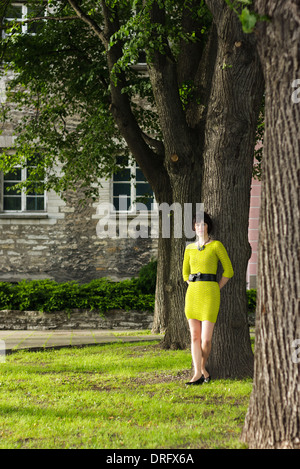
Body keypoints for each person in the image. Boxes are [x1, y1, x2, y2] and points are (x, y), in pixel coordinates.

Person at [182, 212, 234, 385]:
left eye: (203, 224)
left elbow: (229, 271)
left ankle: (201, 370)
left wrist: (216, 287)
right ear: (194, 227)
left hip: (210, 294)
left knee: (206, 339)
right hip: (193, 295)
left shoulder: (216, 245)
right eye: (197, 224)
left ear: (208, 226)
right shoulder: (189, 248)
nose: (199, 227)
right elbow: (184, 273)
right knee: (194, 337)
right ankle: (199, 372)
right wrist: (191, 283)